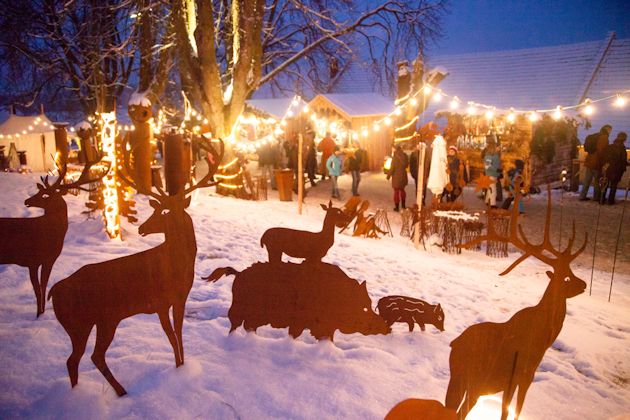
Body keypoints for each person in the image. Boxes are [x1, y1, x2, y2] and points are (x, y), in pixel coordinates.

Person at [580, 125, 612, 201]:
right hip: (596, 162)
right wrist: (603, 161)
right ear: (607, 130)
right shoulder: (604, 137)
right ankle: (596, 197)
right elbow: (601, 151)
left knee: (587, 180)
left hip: (589, 160)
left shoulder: (596, 135)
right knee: (597, 181)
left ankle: (582, 196)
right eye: (610, 130)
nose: (611, 132)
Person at [601, 132, 628, 205]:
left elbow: (604, 157)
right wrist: (624, 166)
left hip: (608, 169)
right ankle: (610, 201)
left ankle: (602, 200)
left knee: (605, 185)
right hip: (617, 170)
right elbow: (623, 160)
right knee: (613, 186)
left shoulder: (610, 146)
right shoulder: (622, 148)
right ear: (624, 139)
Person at [409, 140, 432, 206]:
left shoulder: (427, 155)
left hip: (425, 174)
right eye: (419, 145)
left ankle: (423, 200)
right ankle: (418, 200)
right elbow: (412, 165)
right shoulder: (414, 154)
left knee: (423, 188)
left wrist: (427, 174)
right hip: (417, 174)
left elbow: (429, 165)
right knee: (417, 187)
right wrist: (414, 174)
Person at [387, 144, 409, 212]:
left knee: (396, 192)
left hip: (396, 176)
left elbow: (392, 168)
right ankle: (403, 205)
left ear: (395, 149)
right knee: (402, 190)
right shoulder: (405, 155)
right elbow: (406, 165)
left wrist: (388, 175)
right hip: (403, 176)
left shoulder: (395, 157)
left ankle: (397, 207)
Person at [483, 142, 501, 207]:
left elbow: (497, 164)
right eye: (498, 147)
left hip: (494, 174)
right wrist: (496, 170)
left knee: (490, 188)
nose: (499, 148)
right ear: (494, 148)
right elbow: (487, 166)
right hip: (490, 174)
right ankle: (492, 204)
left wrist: (499, 171)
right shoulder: (488, 156)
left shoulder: (496, 155)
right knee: (493, 189)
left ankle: (487, 201)